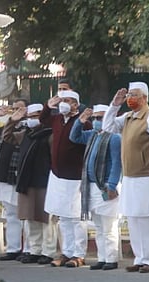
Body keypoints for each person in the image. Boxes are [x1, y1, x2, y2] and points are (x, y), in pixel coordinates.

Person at [102, 81, 149, 273]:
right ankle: (140, 258)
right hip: (130, 176)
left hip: (147, 176)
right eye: (129, 95)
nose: (130, 98)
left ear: (145, 98)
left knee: (147, 219)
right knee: (133, 218)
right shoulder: (128, 117)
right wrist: (115, 105)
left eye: (134, 95)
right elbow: (107, 127)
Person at [40, 90, 91, 268]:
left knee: (77, 218)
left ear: (76, 104)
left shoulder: (83, 122)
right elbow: (42, 119)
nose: (63, 104)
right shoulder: (56, 120)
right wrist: (48, 106)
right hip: (57, 175)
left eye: (67, 101)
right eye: (61, 101)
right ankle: (66, 252)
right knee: (63, 217)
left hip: (76, 177)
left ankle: (79, 254)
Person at [2, 103, 57, 264]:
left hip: (44, 181)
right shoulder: (25, 134)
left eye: (37, 116)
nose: (34, 119)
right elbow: (7, 137)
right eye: (32, 116)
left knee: (45, 219)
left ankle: (48, 251)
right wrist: (12, 120)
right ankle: (35, 250)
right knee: (31, 218)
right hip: (27, 182)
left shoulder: (49, 134)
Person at [69, 104, 121, 271]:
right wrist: (81, 121)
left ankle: (111, 259)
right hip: (90, 186)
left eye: (100, 117)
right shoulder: (92, 135)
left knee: (108, 226)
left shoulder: (114, 137)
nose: (97, 121)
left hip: (105, 186)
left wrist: (111, 185)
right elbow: (74, 137)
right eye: (95, 118)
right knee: (98, 226)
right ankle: (102, 258)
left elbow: (116, 164)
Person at [0, 98, 28, 261]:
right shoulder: (3, 125)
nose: (16, 111)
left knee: (25, 214)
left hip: (20, 175)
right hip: (4, 177)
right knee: (11, 214)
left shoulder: (28, 126)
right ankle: (13, 249)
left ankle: (29, 249)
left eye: (20, 109)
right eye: (13, 108)